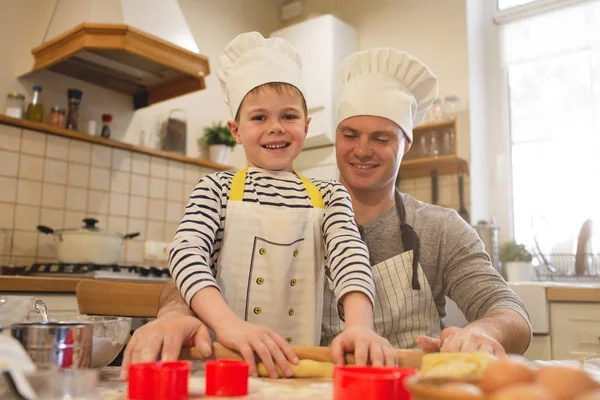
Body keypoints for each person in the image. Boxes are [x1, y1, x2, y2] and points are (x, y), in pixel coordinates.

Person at [121, 47, 531, 380]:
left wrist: (480, 332)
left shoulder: (437, 228)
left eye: (381, 137)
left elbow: (508, 311)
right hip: (288, 380)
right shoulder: (253, 194)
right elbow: (192, 259)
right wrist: (174, 313)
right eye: (350, 135)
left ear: (406, 143)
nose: (362, 149)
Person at [163, 32, 394, 380]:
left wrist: (360, 326)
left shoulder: (330, 195)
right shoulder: (217, 189)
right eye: (259, 118)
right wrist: (227, 325)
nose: (275, 128)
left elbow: (350, 256)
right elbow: (186, 252)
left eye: (288, 116)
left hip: (296, 366)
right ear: (236, 129)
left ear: (306, 125)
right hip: (223, 362)